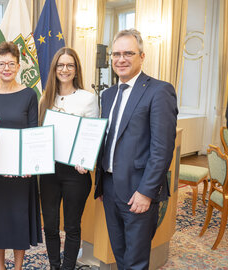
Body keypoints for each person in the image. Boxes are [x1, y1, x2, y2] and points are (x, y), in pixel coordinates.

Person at [94, 29, 177, 270]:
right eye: (116, 54)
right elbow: (108, 139)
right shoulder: (108, 95)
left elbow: (162, 148)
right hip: (109, 189)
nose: (121, 59)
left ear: (142, 56)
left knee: (136, 261)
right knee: (120, 254)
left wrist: (146, 192)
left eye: (128, 53)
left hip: (138, 192)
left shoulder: (159, 91)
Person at [0, 41, 42, 270]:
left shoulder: (29, 95)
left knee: (18, 220)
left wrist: (29, 165)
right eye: (2, 63)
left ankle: (17, 266)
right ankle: (0, 266)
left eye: (11, 63)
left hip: (21, 172)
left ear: (18, 66)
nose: (7, 68)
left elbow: (33, 132)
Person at [38, 47, 99, 270]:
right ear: (54, 69)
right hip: (49, 172)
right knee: (51, 227)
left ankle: (68, 267)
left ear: (76, 69)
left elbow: (91, 136)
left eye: (70, 65)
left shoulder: (88, 98)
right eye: (60, 65)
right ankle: (55, 266)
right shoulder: (45, 98)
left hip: (76, 173)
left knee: (72, 226)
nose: (65, 69)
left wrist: (85, 159)